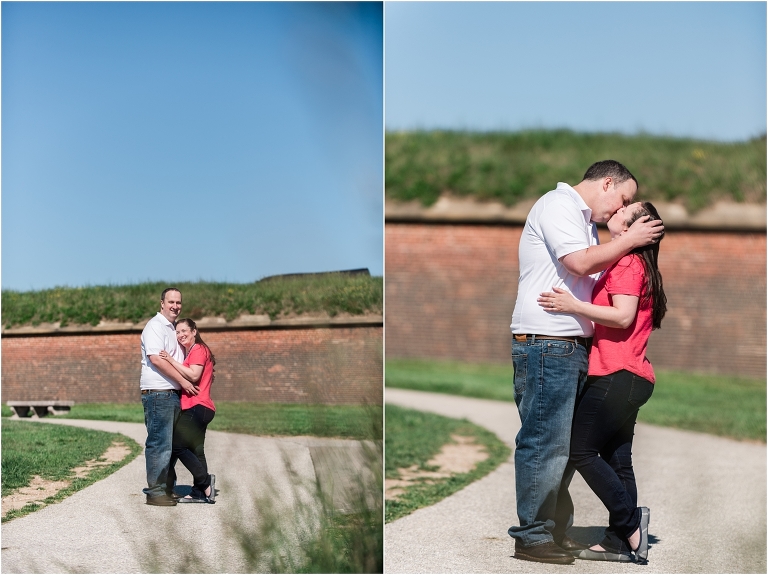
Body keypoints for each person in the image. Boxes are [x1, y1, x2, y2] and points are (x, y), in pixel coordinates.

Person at [508, 160, 664, 564]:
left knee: (564, 447)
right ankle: (533, 536)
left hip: (573, 349)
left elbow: (602, 286)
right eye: (624, 199)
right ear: (607, 183)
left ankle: (553, 530)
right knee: (546, 443)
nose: (619, 209)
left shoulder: (586, 224)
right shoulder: (559, 205)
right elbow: (579, 264)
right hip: (548, 342)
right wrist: (631, 240)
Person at [140, 288, 199, 506]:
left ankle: (166, 488)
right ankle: (155, 493)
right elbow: (156, 359)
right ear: (162, 303)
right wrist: (184, 382)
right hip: (158, 393)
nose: (175, 306)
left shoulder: (172, 328)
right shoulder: (155, 326)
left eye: (179, 302)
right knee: (159, 444)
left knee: (170, 445)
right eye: (171, 301)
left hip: (171, 394)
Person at [159, 318, 217, 504]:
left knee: (177, 445)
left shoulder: (199, 349)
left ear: (194, 331)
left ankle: (205, 481)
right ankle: (199, 492)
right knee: (197, 450)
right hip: (202, 407)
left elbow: (194, 374)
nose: (181, 334)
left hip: (196, 407)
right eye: (177, 332)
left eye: (184, 330)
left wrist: (170, 360)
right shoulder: (193, 351)